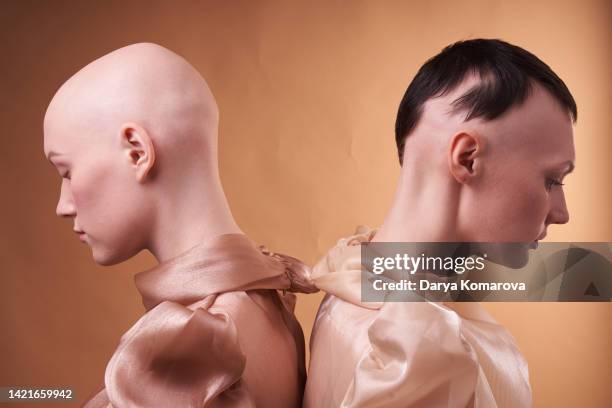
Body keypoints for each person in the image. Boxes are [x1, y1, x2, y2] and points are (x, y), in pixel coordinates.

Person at [305, 39, 576, 407]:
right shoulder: (413, 352)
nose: (561, 213)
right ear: (467, 159)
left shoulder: (352, 275)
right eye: (551, 179)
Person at [43, 43, 316, 407]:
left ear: (137, 151)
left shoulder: (199, 347)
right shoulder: (268, 302)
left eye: (67, 171)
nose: (63, 205)